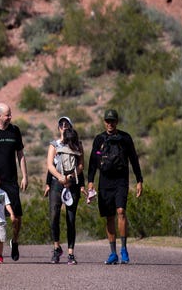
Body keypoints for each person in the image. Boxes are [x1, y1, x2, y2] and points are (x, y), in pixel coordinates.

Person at [87, 109, 143, 265]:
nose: (110, 123)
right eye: (107, 121)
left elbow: (134, 159)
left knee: (121, 211)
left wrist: (139, 180)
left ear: (117, 122)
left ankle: (124, 249)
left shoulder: (125, 138)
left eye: (112, 121)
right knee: (109, 216)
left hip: (121, 180)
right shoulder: (99, 139)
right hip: (104, 181)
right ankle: (113, 253)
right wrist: (90, 181)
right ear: (104, 122)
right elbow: (93, 161)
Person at [0, 102, 28, 261]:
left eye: (10, 114)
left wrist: (25, 176)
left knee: (17, 216)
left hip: (11, 180)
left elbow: (20, 154)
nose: (10, 117)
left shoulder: (15, 131)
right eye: (7, 115)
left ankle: (14, 241)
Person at [46, 116, 85, 264]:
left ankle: (71, 253)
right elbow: (49, 165)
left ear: (71, 126)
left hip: (72, 183)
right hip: (57, 183)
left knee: (71, 218)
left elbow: (81, 164)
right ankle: (56, 248)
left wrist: (72, 176)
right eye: (61, 124)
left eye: (66, 124)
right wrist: (60, 177)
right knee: (54, 215)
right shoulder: (54, 145)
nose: (64, 126)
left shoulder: (78, 145)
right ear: (58, 128)